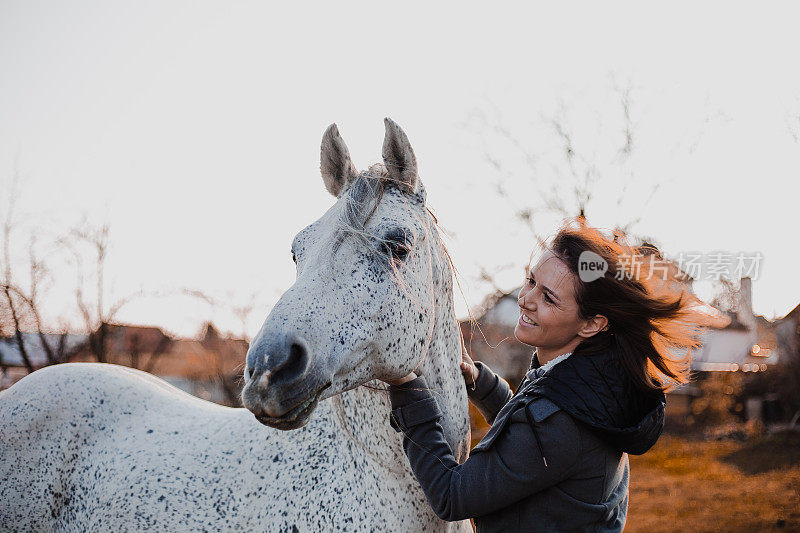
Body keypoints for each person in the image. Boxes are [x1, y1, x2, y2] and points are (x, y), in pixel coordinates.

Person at [382, 219, 711, 532]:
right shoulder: (588, 384)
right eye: (531, 281)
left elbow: (453, 495)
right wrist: (480, 383)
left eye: (548, 298)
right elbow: (527, 439)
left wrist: (408, 392)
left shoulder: (564, 419)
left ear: (592, 324)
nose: (526, 301)